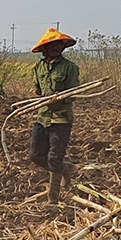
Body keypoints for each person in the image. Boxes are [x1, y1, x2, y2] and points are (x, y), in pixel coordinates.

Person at [30, 28, 80, 204]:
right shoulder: (38, 67)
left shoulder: (70, 68)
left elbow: (75, 93)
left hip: (61, 118)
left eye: (59, 44)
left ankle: (53, 199)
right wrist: (37, 93)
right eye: (52, 45)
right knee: (36, 155)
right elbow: (37, 88)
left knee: (54, 157)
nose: (56, 48)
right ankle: (64, 169)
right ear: (45, 48)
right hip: (42, 116)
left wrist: (62, 95)